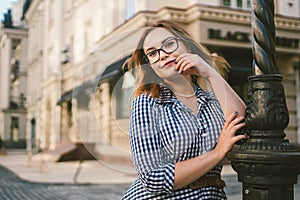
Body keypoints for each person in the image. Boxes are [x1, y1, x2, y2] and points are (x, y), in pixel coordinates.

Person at [122, 20, 246, 199]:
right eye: (152, 53)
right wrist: (217, 153)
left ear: (187, 45)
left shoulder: (212, 98)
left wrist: (210, 72)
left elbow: (239, 120)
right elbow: (152, 179)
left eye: (169, 44)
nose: (163, 55)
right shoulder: (146, 103)